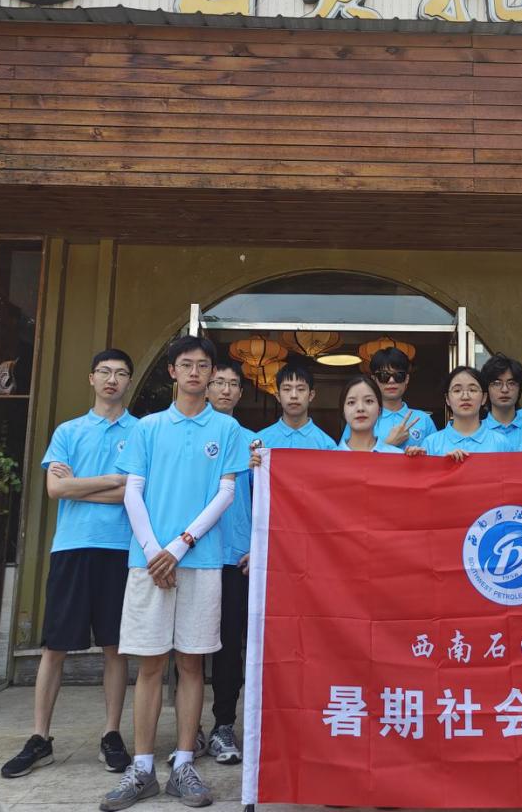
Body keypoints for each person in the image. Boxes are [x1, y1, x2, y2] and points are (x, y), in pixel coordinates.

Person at [100, 336, 249, 811]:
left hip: (201, 560)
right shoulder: (147, 427)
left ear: (212, 373)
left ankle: (184, 762)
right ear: (172, 371)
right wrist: (153, 550)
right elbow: (132, 490)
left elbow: (226, 493)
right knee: (149, 664)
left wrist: (180, 545)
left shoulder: (227, 428)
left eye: (203, 365)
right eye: (186, 364)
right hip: (149, 563)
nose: (195, 372)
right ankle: (142, 767)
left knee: (191, 663)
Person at [2, 350, 136, 780]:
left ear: (129, 381)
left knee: (115, 646)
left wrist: (78, 484)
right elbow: (55, 489)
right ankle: (40, 737)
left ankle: (111, 734)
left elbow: (132, 493)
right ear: (91, 378)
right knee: (54, 646)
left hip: (120, 549)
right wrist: (110, 480)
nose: (112, 379)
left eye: (120, 373)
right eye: (105, 372)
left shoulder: (140, 432)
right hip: (71, 547)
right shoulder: (68, 431)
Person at [205, 360, 256, 766]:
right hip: (192, 555)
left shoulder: (254, 444)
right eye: (218, 382)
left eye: (232, 384)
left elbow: (267, 503)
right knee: (187, 648)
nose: (225, 389)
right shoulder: (188, 435)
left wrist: (258, 547)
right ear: (206, 388)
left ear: (241, 392)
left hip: (236, 558)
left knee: (229, 646)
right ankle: (188, 729)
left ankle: (224, 724)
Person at [342, 346, 436, 449]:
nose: (391, 381)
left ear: (407, 379)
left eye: (398, 375)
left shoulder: (423, 419)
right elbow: (346, 457)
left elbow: (435, 456)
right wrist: (389, 444)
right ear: (374, 379)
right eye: (384, 376)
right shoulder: (362, 417)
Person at [410, 366, 507, 459]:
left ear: (484, 398)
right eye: (457, 391)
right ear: (447, 399)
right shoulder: (431, 444)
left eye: (472, 390)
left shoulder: (500, 443)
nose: (465, 397)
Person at [256, 362, 337, 450]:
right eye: (287, 389)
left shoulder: (327, 445)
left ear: (311, 395)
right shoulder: (260, 441)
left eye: (300, 389)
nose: (294, 395)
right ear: (278, 396)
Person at [337, 374, 403, 453]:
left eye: (369, 401)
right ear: (343, 411)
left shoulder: (397, 455)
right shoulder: (330, 457)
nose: (360, 408)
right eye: (351, 402)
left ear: (379, 410)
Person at [480, 352, 522, 450]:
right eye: (497, 383)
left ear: (520, 388)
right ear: (486, 389)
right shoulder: (477, 431)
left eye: (511, 383)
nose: (505, 390)